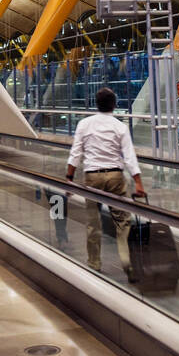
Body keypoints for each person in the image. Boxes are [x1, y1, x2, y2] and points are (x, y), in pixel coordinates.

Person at [65, 87, 145, 277]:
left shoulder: (84, 124)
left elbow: (75, 153)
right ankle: (127, 263)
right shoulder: (120, 126)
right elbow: (129, 157)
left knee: (93, 223)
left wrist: (69, 178)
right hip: (115, 177)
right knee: (122, 222)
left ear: (96, 104)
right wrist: (139, 183)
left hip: (92, 177)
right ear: (114, 104)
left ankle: (94, 264)